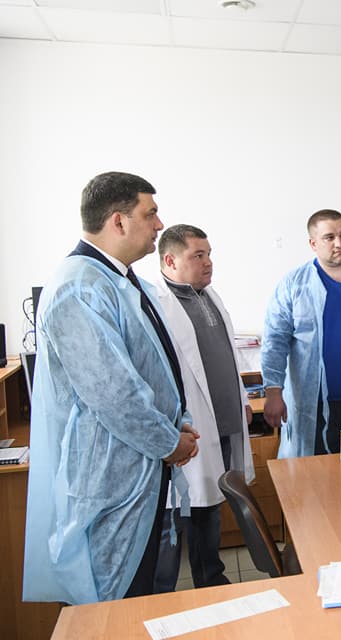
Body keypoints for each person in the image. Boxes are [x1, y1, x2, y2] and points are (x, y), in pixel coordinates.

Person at [23, 172, 198, 604]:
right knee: (112, 606)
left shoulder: (118, 279)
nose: (160, 225)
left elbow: (153, 368)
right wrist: (168, 442)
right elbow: (115, 395)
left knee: (142, 595)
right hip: (112, 479)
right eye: (150, 213)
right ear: (118, 221)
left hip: (140, 469)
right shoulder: (78, 287)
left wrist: (177, 424)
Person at [152, 224, 255, 592]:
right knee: (182, 514)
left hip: (223, 420)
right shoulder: (157, 304)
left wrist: (243, 401)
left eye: (209, 254)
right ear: (170, 261)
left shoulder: (208, 296)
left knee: (211, 505)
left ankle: (211, 580)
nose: (208, 262)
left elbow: (228, 357)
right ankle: (169, 592)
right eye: (198, 256)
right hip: (188, 427)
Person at [261, 210, 341, 458]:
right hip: (313, 404)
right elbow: (275, 341)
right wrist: (273, 392)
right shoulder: (294, 285)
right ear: (313, 243)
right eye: (329, 237)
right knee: (316, 473)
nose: (339, 243)